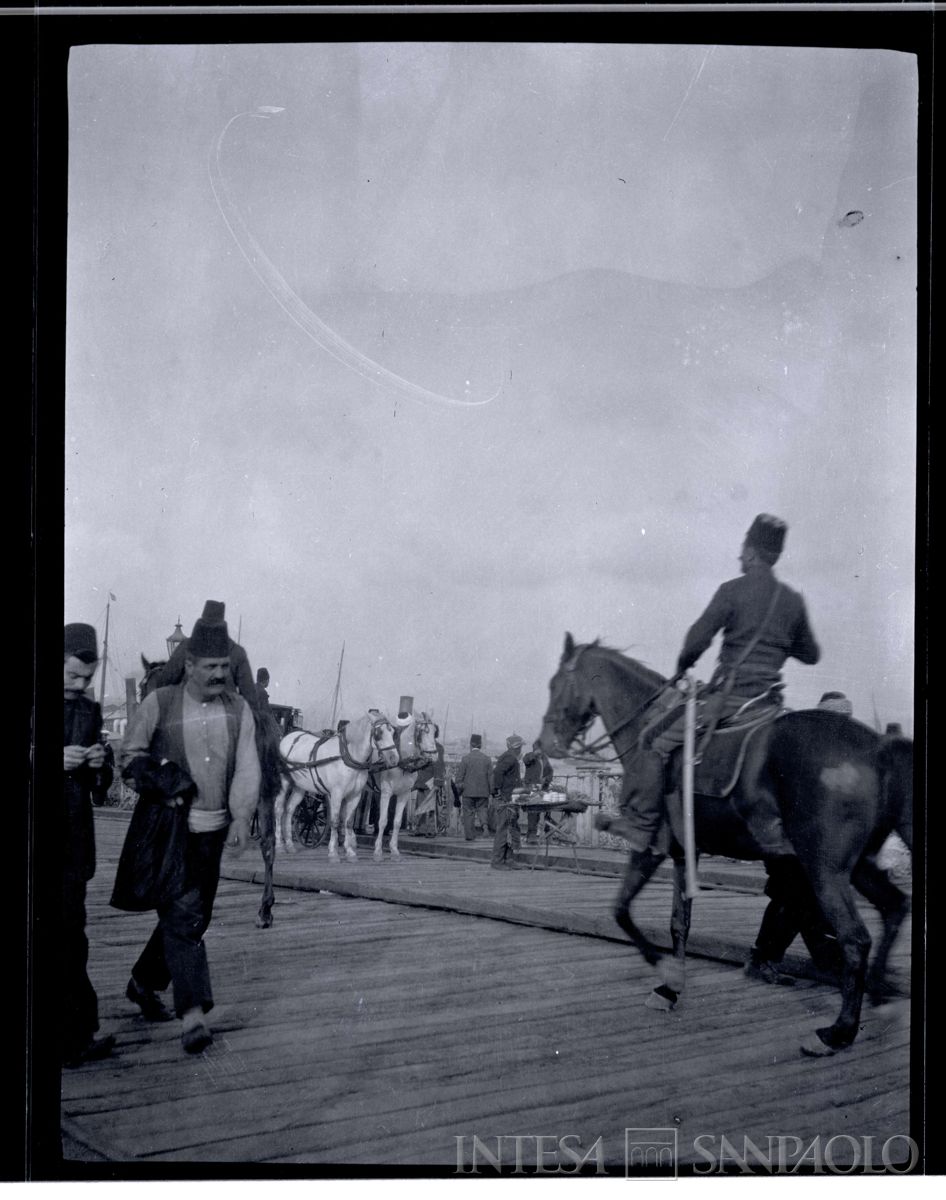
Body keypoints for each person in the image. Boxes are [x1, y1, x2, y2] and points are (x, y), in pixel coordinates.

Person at [610, 514, 820, 862]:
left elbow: (696, 640)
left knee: (652, 738)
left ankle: (643, 825)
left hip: (729, 700)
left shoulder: (732, 590)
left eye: (743, 549)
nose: (740, 556)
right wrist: (782, 640)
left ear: (752, 553)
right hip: (769, 703)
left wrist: (682, 667)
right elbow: (811, 654)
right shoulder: (793, 600)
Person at [113, 616, 260, 1054]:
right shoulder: (159, 702)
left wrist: (240, 816)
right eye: (210, 666)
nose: (219, 674)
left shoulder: (239, 709)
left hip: (213, 832)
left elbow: (248, 766)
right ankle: (192, 1014)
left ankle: (144, 981)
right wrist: (161, 780)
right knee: (185, 915)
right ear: (190, 663)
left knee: (195, 914)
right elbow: (130, 757)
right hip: (167, 830)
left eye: (225, 666)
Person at [62, 623, 117, 1066]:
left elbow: (100, 789)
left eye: (86, 678)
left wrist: (100, 764)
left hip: (73, 845)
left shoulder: (89, 710)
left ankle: (76, 1036)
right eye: (72, 676)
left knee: (70, 939)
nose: (79, 686)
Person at [147, 600, 258, 711]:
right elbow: (250, 698)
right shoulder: (237, 652)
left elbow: (164, 682)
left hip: (189, 717)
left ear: (202, 622)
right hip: (226, 719)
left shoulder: (185, 647)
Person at [490, 734, 525, 869]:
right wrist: (498, 792)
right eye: (520, 747)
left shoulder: (508, 757)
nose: (521, 749)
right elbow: (498, 773)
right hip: (506, 799)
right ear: (518, 747)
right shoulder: (510, 758)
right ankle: (497, 861)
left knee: (511, 828)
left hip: (509, 798)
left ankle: (509, 859)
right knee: (504, 830)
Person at [454, 734, 493, 841]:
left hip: (468, 791)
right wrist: (492, 791)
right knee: (482, 810)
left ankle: (470, 836)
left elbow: (459, 778)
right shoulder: (487, 759)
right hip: (483, 791)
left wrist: (460, 789)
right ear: (481, 744)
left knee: (468, 813)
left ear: (471, 744)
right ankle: (485, 827)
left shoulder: (465, 759)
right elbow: (491, 778)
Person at [523, 739, 554, 844]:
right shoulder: (530, 757)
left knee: (545, 811)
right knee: (533, 812)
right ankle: (531, 835)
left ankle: (546, 834)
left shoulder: (545, 758)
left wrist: (547, 779)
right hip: (531, 788)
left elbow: (550, 772)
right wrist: (534, 754)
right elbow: (525, 760)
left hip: (543, 788)